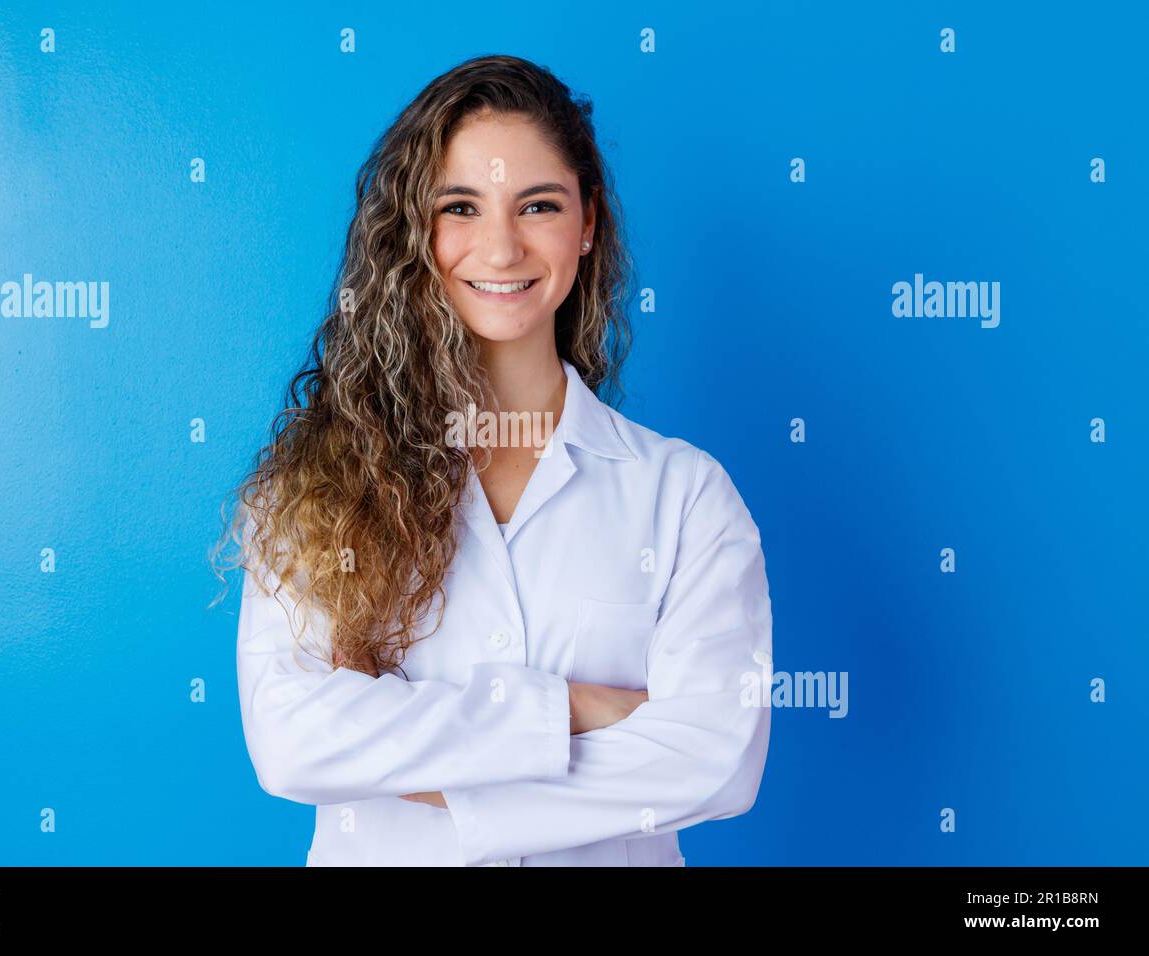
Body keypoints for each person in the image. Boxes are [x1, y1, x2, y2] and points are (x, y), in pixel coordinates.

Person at [212, 53, 773, 866]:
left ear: (588, 223)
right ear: (415, 232)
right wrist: (566, 710)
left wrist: (429, 767)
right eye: (461, 207)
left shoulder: (684, 496)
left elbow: (716, 760)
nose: (501, 247)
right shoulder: (320, 488)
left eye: (537, 205)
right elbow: (294, 739)